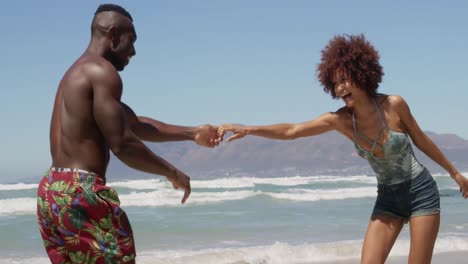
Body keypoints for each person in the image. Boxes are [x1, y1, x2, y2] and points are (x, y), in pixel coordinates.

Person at [219, 34, 468, 264]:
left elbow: (421, 140)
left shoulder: (394, 105)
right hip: (388, 199)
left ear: (363, 74)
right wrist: (249, 129)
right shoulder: (340, 120)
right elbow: (292, 131)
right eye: (336, 83)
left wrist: (454, 174)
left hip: (420, 192)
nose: (340, 88)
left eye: (346, 79)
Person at [36, 4, 223, 263]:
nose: (133, 51)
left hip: (52, 193)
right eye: (131, 41)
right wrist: (173, 172)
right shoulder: (102, 71)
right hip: (82, 192)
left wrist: (193, 133)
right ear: (113, 36)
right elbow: (123, 143)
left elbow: (133, 123)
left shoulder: (77, 72)